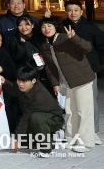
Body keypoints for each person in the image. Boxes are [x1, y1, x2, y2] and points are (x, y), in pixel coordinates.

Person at [38, 18, 95, 152]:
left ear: (55, 26)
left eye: (49, 25)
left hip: (81, 79)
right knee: (70, 112)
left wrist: (74, 38)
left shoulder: (65, 37)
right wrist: (55, 84)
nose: (46, 29)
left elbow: (88, 48)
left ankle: (86, 142)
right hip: (66, 82)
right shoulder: (45, 45)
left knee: (83, 111)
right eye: (43, 27)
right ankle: (71, 138)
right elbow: (49, 67)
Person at [63, 0, 104, 137]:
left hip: (88, 68)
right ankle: (75, 130)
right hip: (69, 69)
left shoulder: (90, 27)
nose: (73, 13)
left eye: (76, 10)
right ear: (66, 12)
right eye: (69, 10)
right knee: (72, 102)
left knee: (90, 101)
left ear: (81, 11)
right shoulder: (62, 26)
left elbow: (101, 46)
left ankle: (93, 131)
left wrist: (95, 62)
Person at [1, 66, 64, 156]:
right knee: (27, 144)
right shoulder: (26, 87)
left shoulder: (39, 96)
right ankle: (52, 138)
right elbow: (15, 89)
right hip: (36, 118)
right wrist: (5, 82)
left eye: (24, 81)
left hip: (54, 119)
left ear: (33, 81)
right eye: (19, 80)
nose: (20, 84)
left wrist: (17, 139)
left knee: (36, 117)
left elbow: (26, 117)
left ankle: (46, 149)